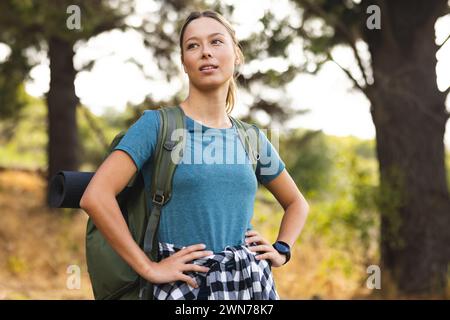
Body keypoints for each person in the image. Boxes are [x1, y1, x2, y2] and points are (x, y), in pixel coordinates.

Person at [80, 10, 309, 300]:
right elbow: (96, 196)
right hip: (183, 287)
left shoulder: (251, 138)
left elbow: (296, 203)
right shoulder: (156, 126)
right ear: (184, 63)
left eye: (216, 42)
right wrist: (149, 268)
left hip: (248, 284)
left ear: (236, 54)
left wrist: (282, 250)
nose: (205, 53)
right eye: (193, 45)